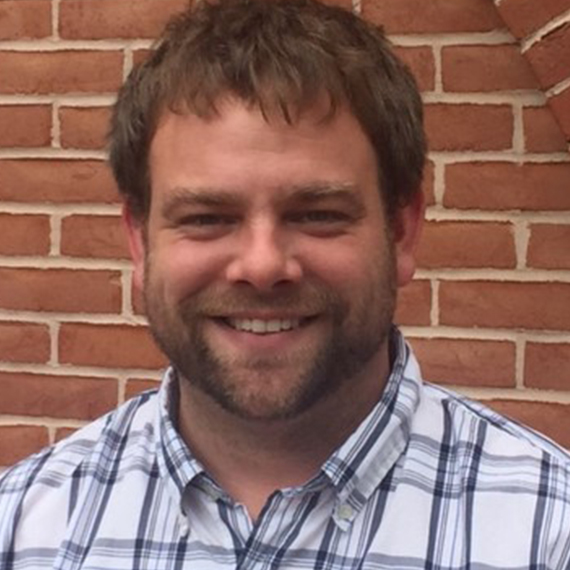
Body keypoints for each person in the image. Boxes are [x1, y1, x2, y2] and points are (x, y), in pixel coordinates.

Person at [1, 0, 570, 567]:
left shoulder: (548, 534)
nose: (262, 265)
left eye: (317, 214)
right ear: (140, 242)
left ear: (401, 231)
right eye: (207, 218)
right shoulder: (20, 528)